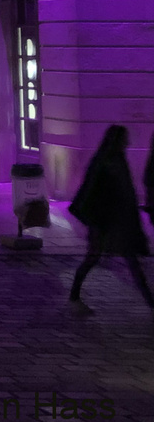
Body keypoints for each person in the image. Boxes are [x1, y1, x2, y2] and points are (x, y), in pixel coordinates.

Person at [69, 124, 154, 310]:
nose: (128, 142)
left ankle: (150, 301)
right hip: (105, 222)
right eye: (124, 138)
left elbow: (127, 194)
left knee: (130, 262)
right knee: (93, 257)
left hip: (119, 223)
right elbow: (92, 191)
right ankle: (74, 293)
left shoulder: (117, 160)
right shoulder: (105, 162)